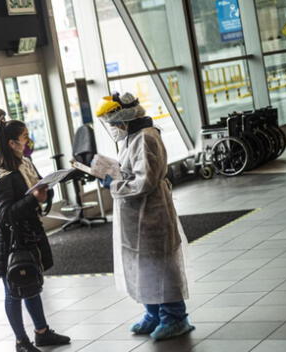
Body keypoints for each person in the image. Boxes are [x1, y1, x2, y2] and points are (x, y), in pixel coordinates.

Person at [95, 92, 194, 340]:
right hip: (134, 214)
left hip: (152, 212)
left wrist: (114, 185)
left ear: (125, 118)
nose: (114, 128)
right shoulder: (132, 137)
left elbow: (145, 181)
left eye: (114, 122)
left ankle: (174, 317)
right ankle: (153, 312)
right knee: (142, 266)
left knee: (161, 264)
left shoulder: (146, 138)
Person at [0, 119, 70, 352]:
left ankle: (42, 333)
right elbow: (6, 214)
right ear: (12, 143)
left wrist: (46, 190)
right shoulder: (1, 175)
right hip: (9, 243)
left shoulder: (25, 164)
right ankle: (21, 341)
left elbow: (35, 190)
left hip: (26, 236)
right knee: (13, 291)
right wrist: (34, 198)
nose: (28, 139)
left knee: (31, 284)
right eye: (24, 136)